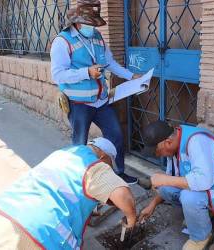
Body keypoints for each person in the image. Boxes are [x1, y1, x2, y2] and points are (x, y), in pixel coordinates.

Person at [0, 137, 136, 250]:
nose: (109, 167)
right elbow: (123, 195)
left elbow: (62, 187)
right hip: (40, 233)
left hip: (5, 211)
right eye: (110, 163)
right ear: (103, 156)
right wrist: (131, 218)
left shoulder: (65, 153)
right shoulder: (95, 165)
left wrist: (87, 209)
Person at [50, 0, 141, 184]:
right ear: (77, 22)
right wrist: (86, 72)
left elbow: (110, 63)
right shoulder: (62, 42)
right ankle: (80, 180)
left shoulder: (97, 37)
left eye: (93, 23)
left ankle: (118, 172)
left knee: (115, 135)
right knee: (80, 143)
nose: (92, 27)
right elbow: (58, 75)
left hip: (101, 101)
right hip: (79, 104)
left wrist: (131, 76)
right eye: (89, 23)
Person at [138, 120, 214, 250]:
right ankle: (201, 215)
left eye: (156, 152)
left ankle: (201, 237)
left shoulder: (197, 141)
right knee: (164, 188)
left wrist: (164, 179)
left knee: (189, 197)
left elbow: (203, 181)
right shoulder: (173, 145)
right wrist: (152, 205)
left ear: (167, 142)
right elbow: (173, 180)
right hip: (211, 186)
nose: (156, 155)